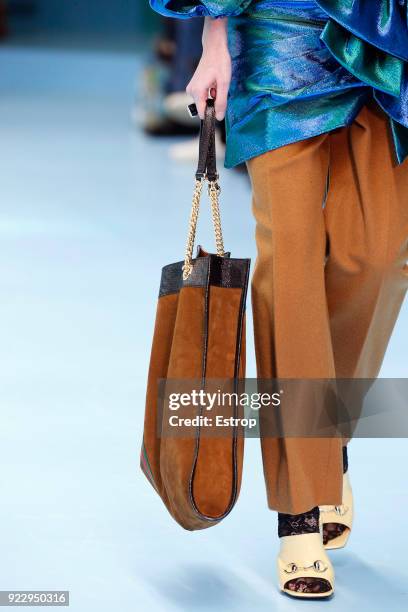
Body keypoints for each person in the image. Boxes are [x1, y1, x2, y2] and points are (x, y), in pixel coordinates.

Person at [148, 0, 408, 599]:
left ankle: (324, 430)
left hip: (383, 36)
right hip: (277, 35)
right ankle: (299, 514)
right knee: (289, 261)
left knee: (377, 257)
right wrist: (213, 37)